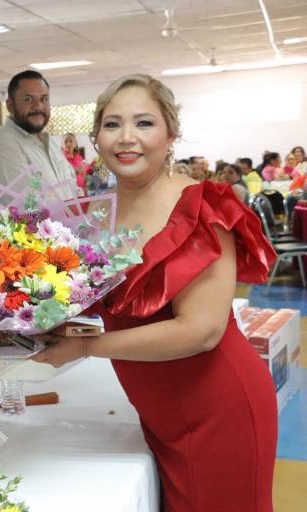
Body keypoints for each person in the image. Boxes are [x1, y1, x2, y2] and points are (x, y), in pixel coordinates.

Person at [31, 74, 278, 512]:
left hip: (218, 408)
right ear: (96, 138)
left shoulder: (201, 206)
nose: (127, 138)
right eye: (112, 125)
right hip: (160, 411)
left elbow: (201, 331)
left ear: (171, 134)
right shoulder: (97, 215)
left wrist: (85, 347)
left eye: (144, 123)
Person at [0, 70, 76, 194]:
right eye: (28, 99)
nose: (38, 106)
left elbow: (73, 189)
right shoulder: (2, 146)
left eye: (44, 99)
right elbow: (24, 211)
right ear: (10, 105)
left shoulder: (48, 141)